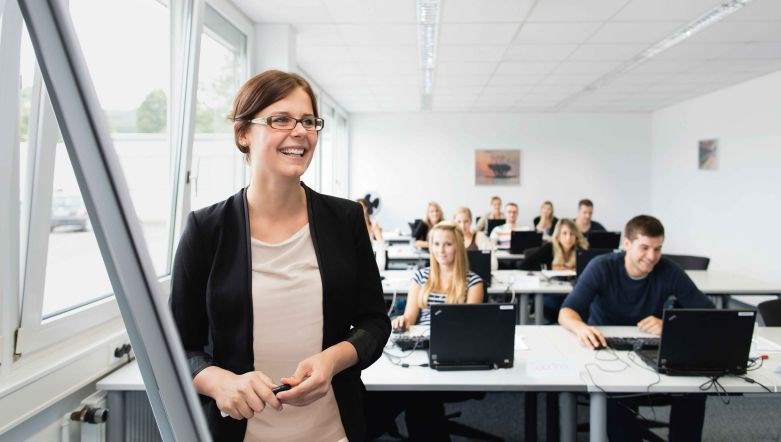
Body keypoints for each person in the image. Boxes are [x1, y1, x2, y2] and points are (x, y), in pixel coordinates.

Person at [170, 70, 391, 442]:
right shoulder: (206, 229)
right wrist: (218, 382)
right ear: (243, 133)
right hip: (238, 434)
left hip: (334, 431)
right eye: (281, 120)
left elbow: (374, 323)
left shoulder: (345, 219)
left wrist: (331, 360)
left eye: (309, 121)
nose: (300, 132)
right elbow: (177, 346)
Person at [558, 215, 713, 442]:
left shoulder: (668, 270)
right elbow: (566, 312)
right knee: (618, 394)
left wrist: (670, 325)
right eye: (644, 248)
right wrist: (581, 328)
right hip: (607, 351)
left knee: (695, 389)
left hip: (652, 349)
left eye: (658, 249)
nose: (652, 256)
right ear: (627, 244)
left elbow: (708, 314)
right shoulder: (602, 267)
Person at [368, 222, 484, 441]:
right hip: (420, 346)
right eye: (436, 244)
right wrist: (402, 321)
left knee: (414, 396)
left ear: (458, 247)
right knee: (407, 393)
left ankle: (372, 427)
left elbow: (468, 326)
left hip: (453, 350)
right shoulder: (421, 276)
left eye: (447, 244)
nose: (441, 250)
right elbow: (411, 317)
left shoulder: (473, 282)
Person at [522, 219, 588, 322]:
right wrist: (543, 271)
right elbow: (524, 265)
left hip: (574, 293)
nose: (568, 238)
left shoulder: (582, 251)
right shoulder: (549, 248)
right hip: (551, 293)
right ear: (558, 236)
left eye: (572, 234)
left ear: (576, 236)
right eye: (564, 233)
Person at [453, 207, 498, 271]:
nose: (462, 226)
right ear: (454, 222)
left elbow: (493, 264)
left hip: (477, 274)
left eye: (466, 221)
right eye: (459, 222)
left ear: (471, 221)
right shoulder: (451, 239)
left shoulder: (479, 236)